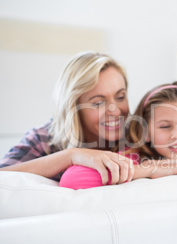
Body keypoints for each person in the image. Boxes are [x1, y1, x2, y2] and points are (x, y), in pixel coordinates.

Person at [0, 51, 135, 184]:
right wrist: (71, 156)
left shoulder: (139, 134)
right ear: (73, 106)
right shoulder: (43, 139)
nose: (116, 111)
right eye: (98, 103)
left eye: (120, 97)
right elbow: (3, 176)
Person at [59, 81, 177, 189]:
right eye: (165, 126)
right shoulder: (132, 159)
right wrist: (149, 169)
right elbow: (70, 180)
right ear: (145, 133)